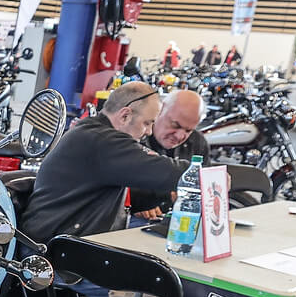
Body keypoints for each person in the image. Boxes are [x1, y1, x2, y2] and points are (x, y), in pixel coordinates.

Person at [22, 81, 186, 251]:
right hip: (56, 254)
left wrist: (167, 195)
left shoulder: (93, 133)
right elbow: (169, 172)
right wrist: (208, 174)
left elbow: (137, 193)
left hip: (58, 243)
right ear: (125, 116)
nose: (149, 132)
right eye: (146, 123)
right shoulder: (102, 141)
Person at [131, 89, 208, 214]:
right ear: (159, 111)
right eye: (175, 125)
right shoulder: (134, 136)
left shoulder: (197, 142)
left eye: (188, 130)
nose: (179, 136)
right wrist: (144, 203)